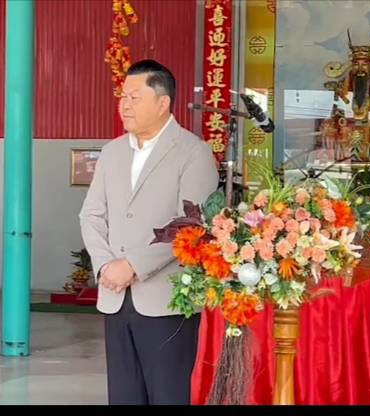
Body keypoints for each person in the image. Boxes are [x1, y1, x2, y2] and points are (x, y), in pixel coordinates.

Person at [79, 59, 219, 405]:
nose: (124, 105)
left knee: (168, 395)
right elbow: (91, 214)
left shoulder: (193, 152)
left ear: (162, 103)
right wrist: (106, 265)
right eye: (123, 97)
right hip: (115, 295)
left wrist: (133, 265)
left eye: (135, 97)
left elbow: (191, 223)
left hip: (166, 299)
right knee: (124, 395)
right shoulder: (112, 152)